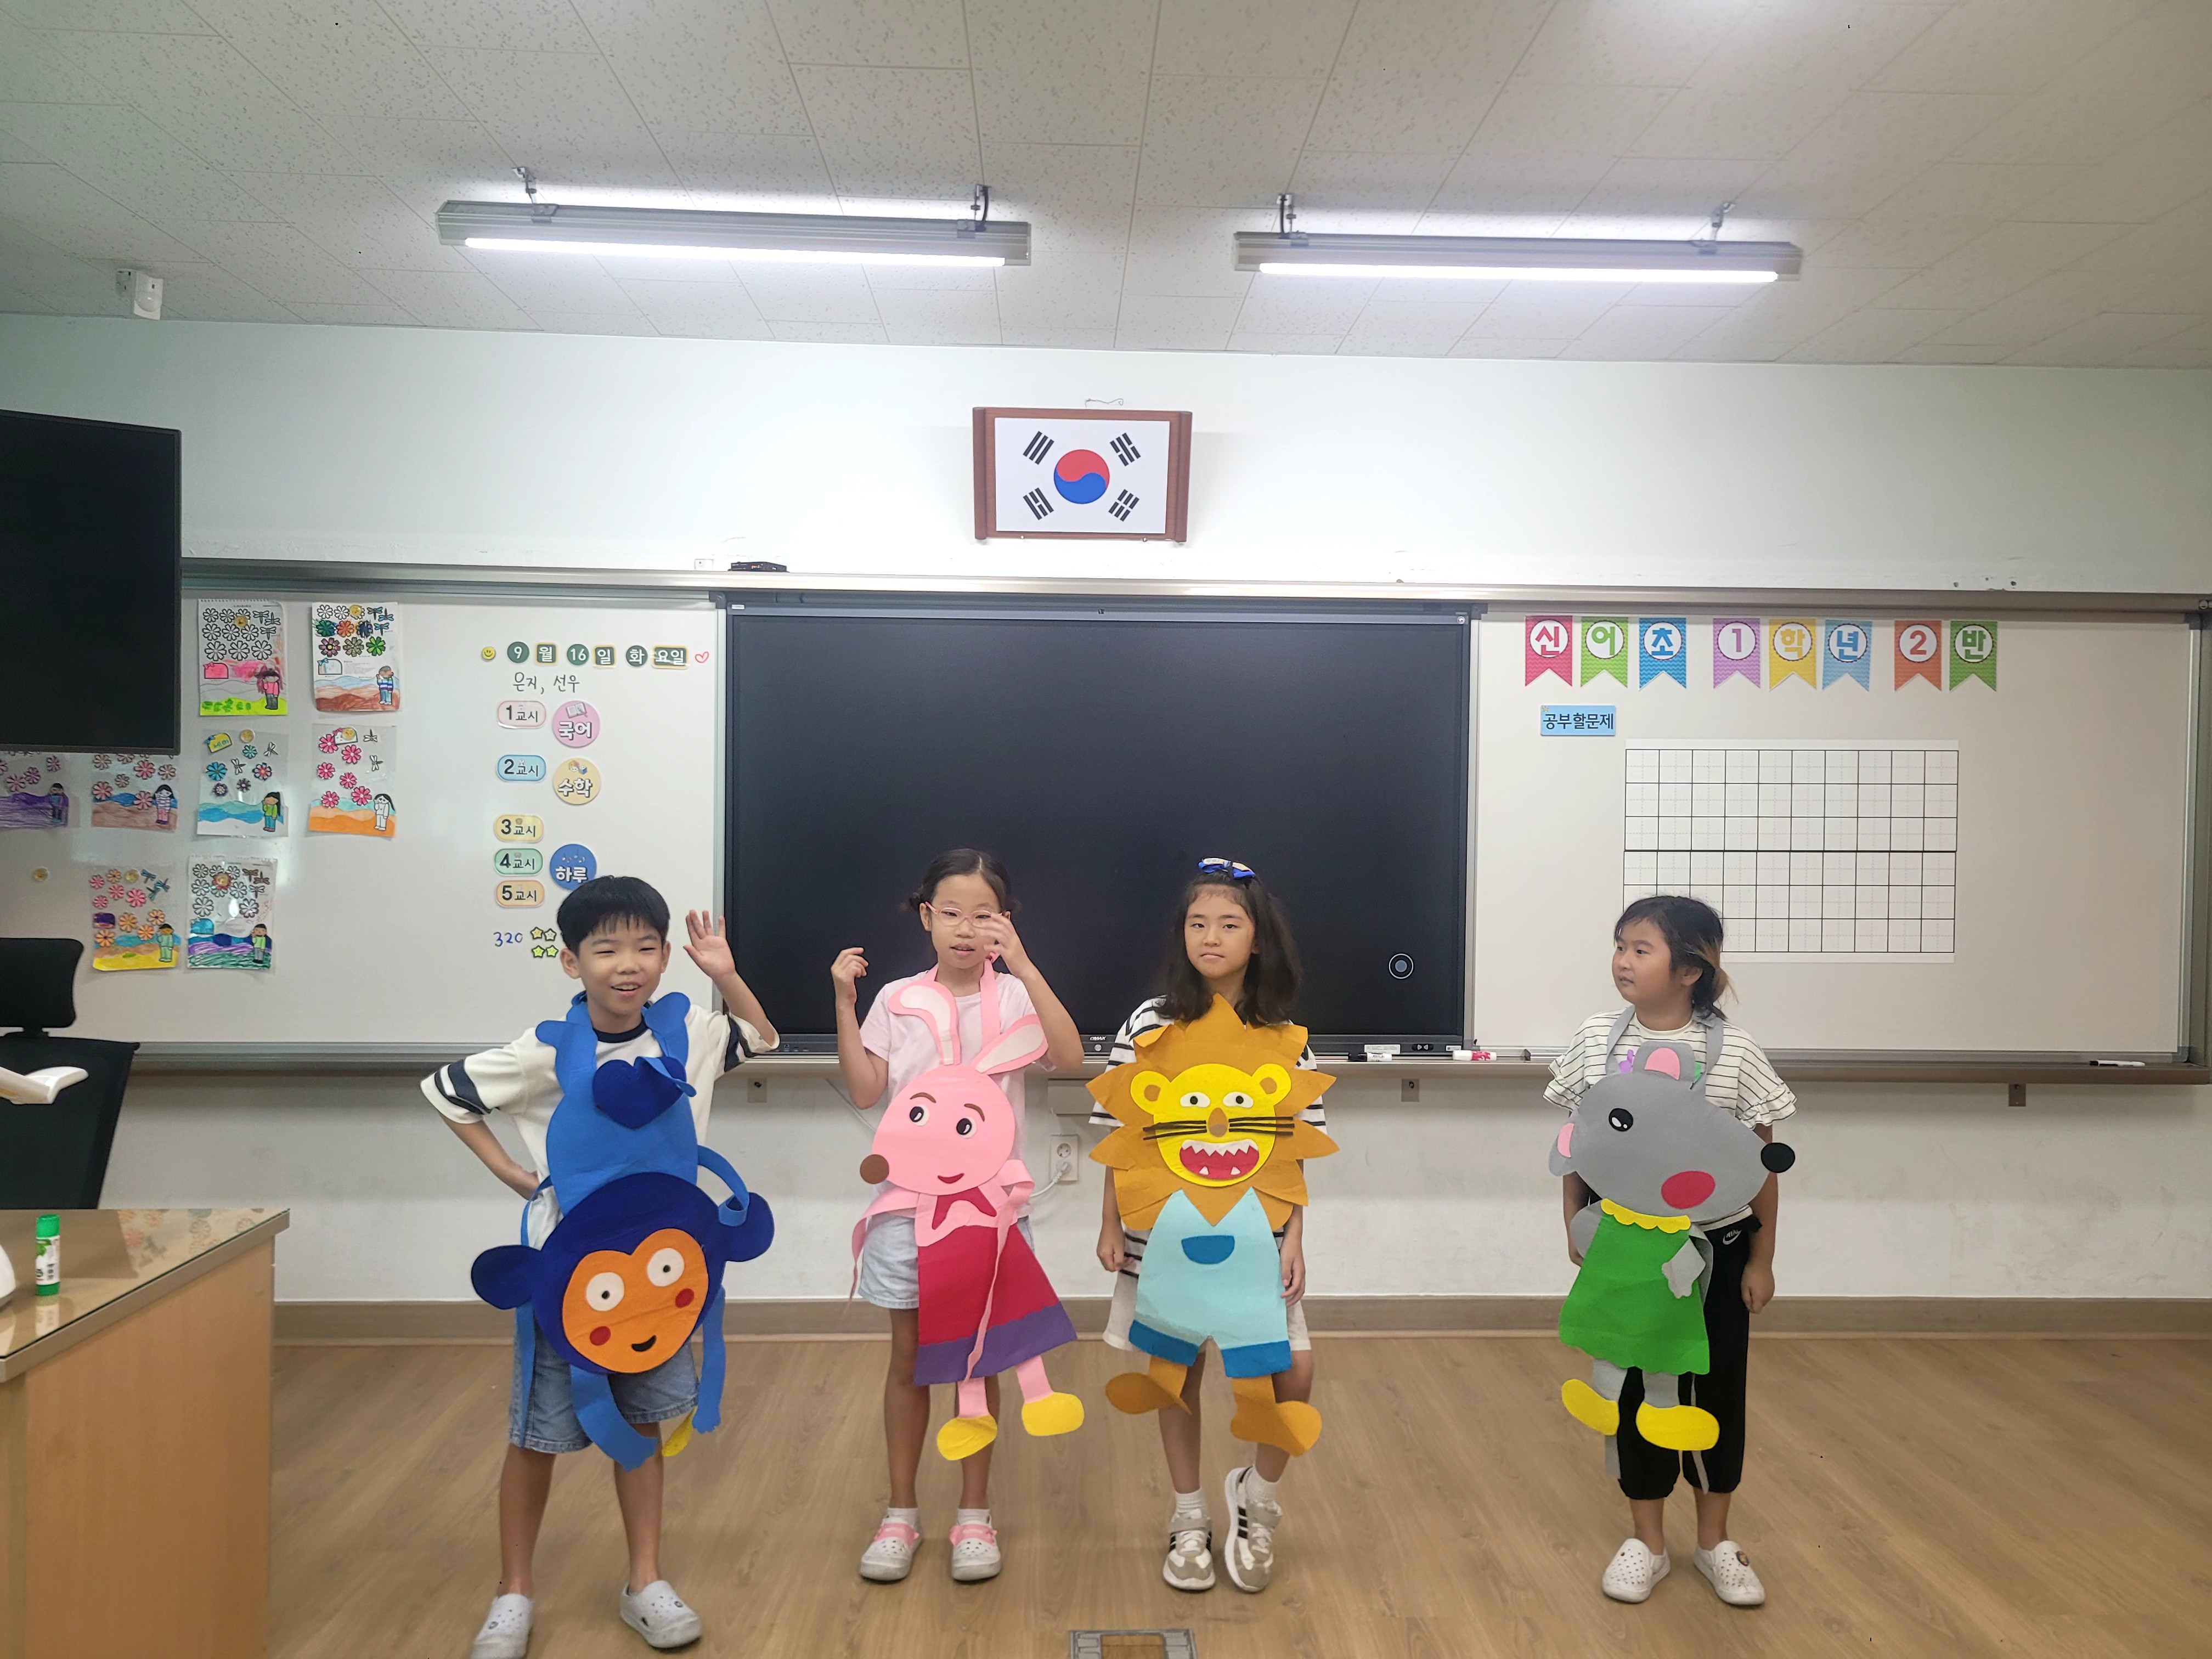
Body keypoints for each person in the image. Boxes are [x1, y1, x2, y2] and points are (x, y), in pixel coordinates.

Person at [424, 876, 778, 1658]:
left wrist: (724, 974)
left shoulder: (690, 1034)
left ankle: (643, 1579)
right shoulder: (546, 1050)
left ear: (665, 957)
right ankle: (513, 1593)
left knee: (643, 1419)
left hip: (659, 1277)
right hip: (566, 1279)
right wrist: (509, 1172)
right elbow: (447, 1093)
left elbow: (762, 1037)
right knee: (535, 1435)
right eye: (607, 949)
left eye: (646, 948)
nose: (629, 965)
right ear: (571, 961)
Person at [833, 849, 1082, 1587]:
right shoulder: (898, 998)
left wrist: (1026, 966)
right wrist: (845, 1004)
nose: (966, 929)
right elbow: (865, 1089)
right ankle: (901, 1514)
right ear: (926, 918)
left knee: (981, 1360)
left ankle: (975, 1515)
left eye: (984, 915)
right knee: (908, 1361)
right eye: (951, 913)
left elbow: (1069, 1058)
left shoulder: (1015, 998)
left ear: (1005, 921)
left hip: (990, 1213)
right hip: (907, 1210)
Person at [1548, 895, 1792, 1609]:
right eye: (1620, 945)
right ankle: (1647, 1542)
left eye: (1641, 949)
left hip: (1717, 1248)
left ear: (1690, 970)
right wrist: (1574, 1225)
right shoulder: (1597, 1038)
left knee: (1715, 1388)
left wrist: (1761, 1258)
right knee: (1633, 1386)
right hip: (1626, 1250)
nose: (1623, 961)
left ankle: (1716, 1541)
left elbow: (1760, 1164)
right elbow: (1580, 1144)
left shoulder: (1735, 1053)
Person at [1093, 860, 1326, 1595]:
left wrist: (1295, 1240)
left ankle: (1258, 1497)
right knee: (1177, 1372)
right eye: (1198, 924)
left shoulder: (1283, 1034)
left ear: (1258, 939)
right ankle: (1189, 1515)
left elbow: (1293, 1150)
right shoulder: (1149, 1023)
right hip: (1162, 1236)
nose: (1211, 937)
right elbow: (1121, 1134)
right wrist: (1109, 1225)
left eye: (1229, 924)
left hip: (1259, 1239)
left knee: (1293, 1373)